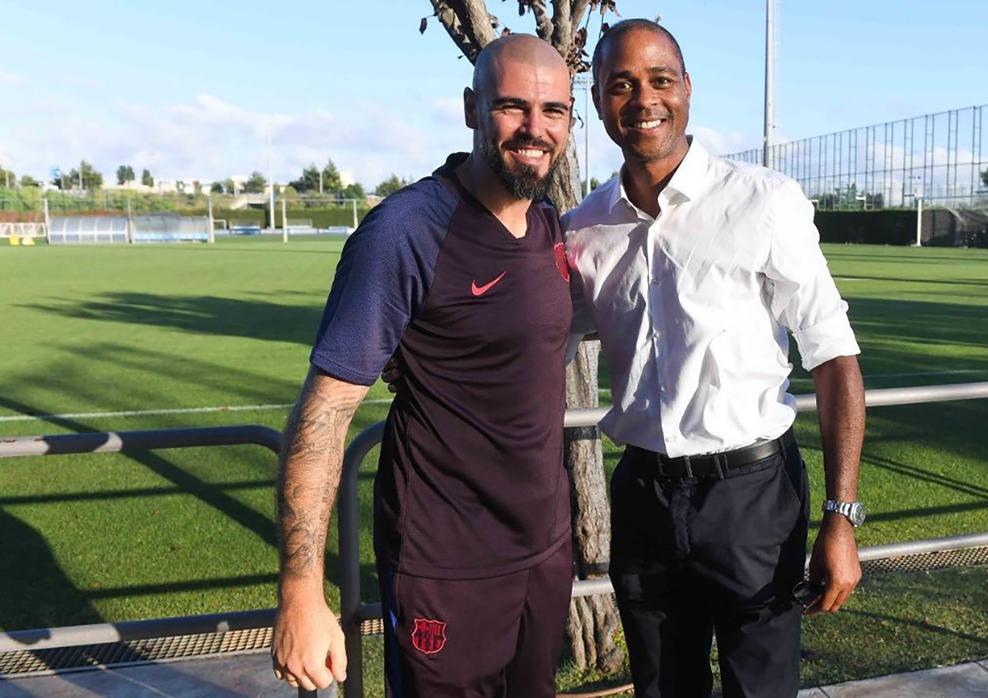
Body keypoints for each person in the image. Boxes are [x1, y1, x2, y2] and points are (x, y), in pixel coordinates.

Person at [561, 19, 867, 698]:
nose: (643, 99)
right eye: (621, 84)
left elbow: (834, 356)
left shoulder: (762, 201)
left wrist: (843, 517)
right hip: (642, 496)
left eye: (660, 80)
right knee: (663, 688)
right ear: (598, 101)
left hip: (752, 499)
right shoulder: (584, 229)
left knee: (760, 689)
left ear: (688, 90)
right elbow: (531, 335)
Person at [271, 34, 577, 696]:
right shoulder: (407, 232)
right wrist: (301, 589)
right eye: (512, 106)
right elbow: (325, 413)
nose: (534, 129)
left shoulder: (549, 222)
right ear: (472, 108)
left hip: (545, 552)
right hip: (448, 567)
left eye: (553, 111)